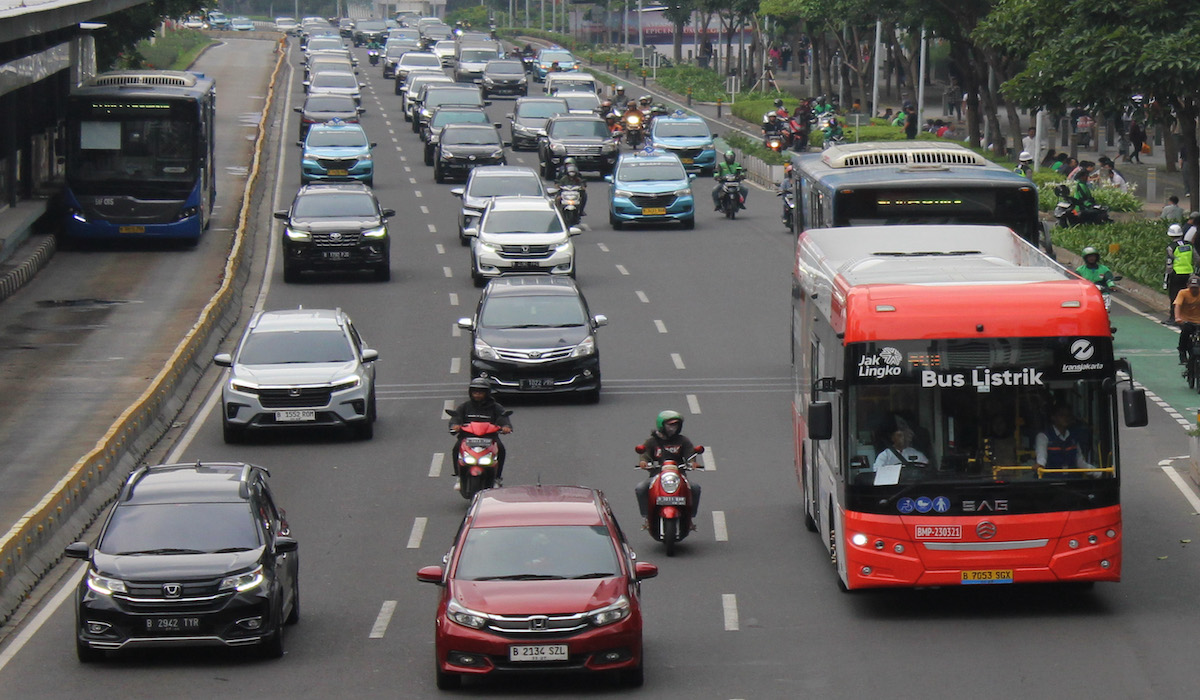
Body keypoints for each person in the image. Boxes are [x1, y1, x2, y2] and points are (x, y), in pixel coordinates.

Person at [635, 410, 703, 521]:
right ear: (662, 425)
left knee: (695, 488)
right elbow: (644, 454)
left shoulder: (683, 441)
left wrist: (692, 463)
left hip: (679, 475)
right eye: (670, 425)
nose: (673, 427)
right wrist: (643, 462)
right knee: (641, 488)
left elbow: (690, 455)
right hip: (656, 475)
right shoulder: (652, 441)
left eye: (676, 425)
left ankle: (690, 516)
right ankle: (646, 516)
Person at [448, 378, 512, 483]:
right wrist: (455, 425)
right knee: (456, 448)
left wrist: (506, 426)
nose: (477, 395)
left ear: (487, 393)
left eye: (481, 392)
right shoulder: (465, 406)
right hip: (467, 437)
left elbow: (503, 418)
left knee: (501, 449)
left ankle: (497, 477)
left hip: (490, 437)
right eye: (475, 392)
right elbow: (456, 417)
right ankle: (459, 476)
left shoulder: (495, 407)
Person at [1035, 404, 1094, 475]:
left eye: (1068, 415)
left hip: (1071, 481)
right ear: (1053, 417)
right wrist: (1040, 465)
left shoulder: (1073, 437)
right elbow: (1041, 456)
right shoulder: (1043, 436)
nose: (1066, 418)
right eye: (1061, 415)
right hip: (1050, 480)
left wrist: (1100, 473)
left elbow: (1080, 462)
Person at [1165, 224, 1194, 324]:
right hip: (1189, 274)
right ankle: (1188, 317)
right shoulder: (1189, 245)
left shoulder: (1171, 247)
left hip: (1176, 274)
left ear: (1170, 235)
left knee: (1174, 296)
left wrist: (1166, 280)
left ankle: (1173, 318)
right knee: (1188, 296)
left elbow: (1169, 265)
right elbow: (1197, 258)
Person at [1176, 275, 1200, 363]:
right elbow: (1178, 305)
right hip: (1187, 320)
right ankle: (1182, 352)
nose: (1194, 290)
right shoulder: (1183, 293)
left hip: (1199, 321)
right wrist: (1177, 317)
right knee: (1185, 333)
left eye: (1196, 288)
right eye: (1192, 288)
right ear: (1187, 286)